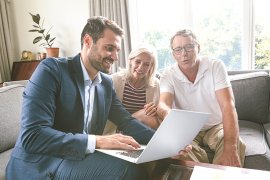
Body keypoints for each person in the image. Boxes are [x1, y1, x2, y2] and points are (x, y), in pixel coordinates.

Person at [6, 16, 157, 180]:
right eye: (109, 48)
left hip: (77, 157)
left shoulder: (105, 83)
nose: (114, 57)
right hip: (42, 162)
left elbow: (126, 121)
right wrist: (97, 141)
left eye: (117, 51)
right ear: (88, 41)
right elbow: (33, 135)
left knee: (147, 162)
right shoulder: (51, 71)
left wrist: (162, 143)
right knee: (128, 171)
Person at [157, 29, 246, 167]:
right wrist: (168, 113)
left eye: (189, 47)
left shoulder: (215, 66)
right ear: (173, 54)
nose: (184, 54)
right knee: (175, 149)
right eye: (178, 49)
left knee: (235, 143)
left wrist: (230, 148)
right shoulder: (168, 75)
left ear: (198, 47)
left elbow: (228, 106)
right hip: (187, 127)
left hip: (216, 125)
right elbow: (163, 105)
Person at [104, 45, 160, 135]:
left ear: (151, 67)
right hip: (115, 132)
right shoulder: (113, 80)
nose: (141, 67)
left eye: (146, 64)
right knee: (144, 114)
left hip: (140, 132)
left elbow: (159, 117)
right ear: (130, 61)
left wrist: (155, 110)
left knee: (150, 117)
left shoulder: (155, 85)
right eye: (138, 62)